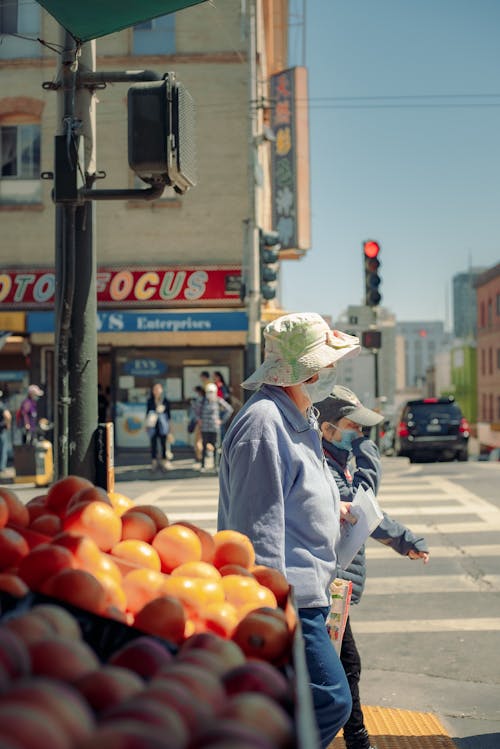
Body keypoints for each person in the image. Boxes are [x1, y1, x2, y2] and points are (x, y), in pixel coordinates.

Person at [218, 312, 361, 748]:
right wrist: (272, 610)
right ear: (304, 370)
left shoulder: (296, 415)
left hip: (308, 593)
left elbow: (289, 497)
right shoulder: (264, 423)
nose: (327, 372)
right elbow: (254, 529)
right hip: (290, 600)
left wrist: (331, 509)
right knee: (330, 699)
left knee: (311, 700)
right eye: (322, 364)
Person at [315, 385, 430, 749]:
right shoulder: (322, 467)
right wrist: (369, 454)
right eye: (354, 427)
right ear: (327, 427)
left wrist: (404, 540)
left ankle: (353, 736)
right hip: (324, 583)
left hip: (336, 584)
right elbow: (361, 505)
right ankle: (356, 739)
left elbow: (366, 517)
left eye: (364, 430)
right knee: (346, 665)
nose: (360, 435)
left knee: (341, 664)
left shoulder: (336, 463)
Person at [196, 383, 233, 473]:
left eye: (212, 392)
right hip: (204, 428)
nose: (210, 393)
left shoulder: (218, 400)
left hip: (215, 428)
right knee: (204, 447)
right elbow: (195, 409)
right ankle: (203, 465)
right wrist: (199, 419)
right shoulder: (202, 401)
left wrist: (222, 420)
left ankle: (216, 466)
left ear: (215, 392)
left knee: (216, 447)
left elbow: (229, 409)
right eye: (208, 392)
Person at [145, 383, 171, 472]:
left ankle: (164, 462)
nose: (156, 391)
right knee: (153, 445)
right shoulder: (150, 401)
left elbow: (169, 416)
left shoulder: (165, 401)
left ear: (161, 390)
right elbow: (147, 414)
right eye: (155, 389)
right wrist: (146, 425)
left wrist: (170, 428)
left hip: (162, 426)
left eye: (158, 389)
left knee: (164, 444)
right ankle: (154, 462)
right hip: (152, 426)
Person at [0, 390, 12, 476]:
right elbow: (8, 416)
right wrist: (8, 424)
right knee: (3, 449)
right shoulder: (1, 405)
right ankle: (2, 468)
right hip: (1, 430)